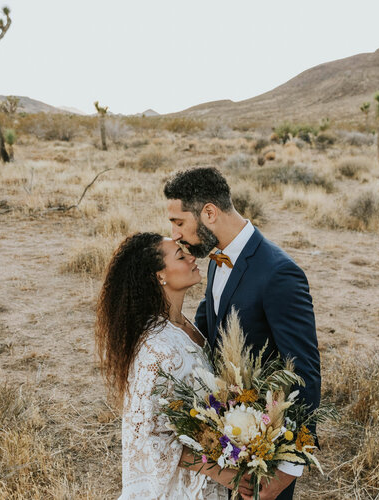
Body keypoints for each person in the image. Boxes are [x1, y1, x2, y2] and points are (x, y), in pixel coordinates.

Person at [164, 167, 321, 500]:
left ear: (209, 212)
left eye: (178, 222)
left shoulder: (279, 273)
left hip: (267, 459)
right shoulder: (214, 257)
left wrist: (287, 472)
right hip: (226, 443)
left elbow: (305, 372)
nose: (175, 234)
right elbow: (207, 336)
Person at [96, 232, 237, 499]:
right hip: (178, 488)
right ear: (159, 276)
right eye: (181, 256)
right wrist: (219, 471)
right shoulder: (156, 348)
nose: (192, 257)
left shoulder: (181, 324)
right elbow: (150, 437)